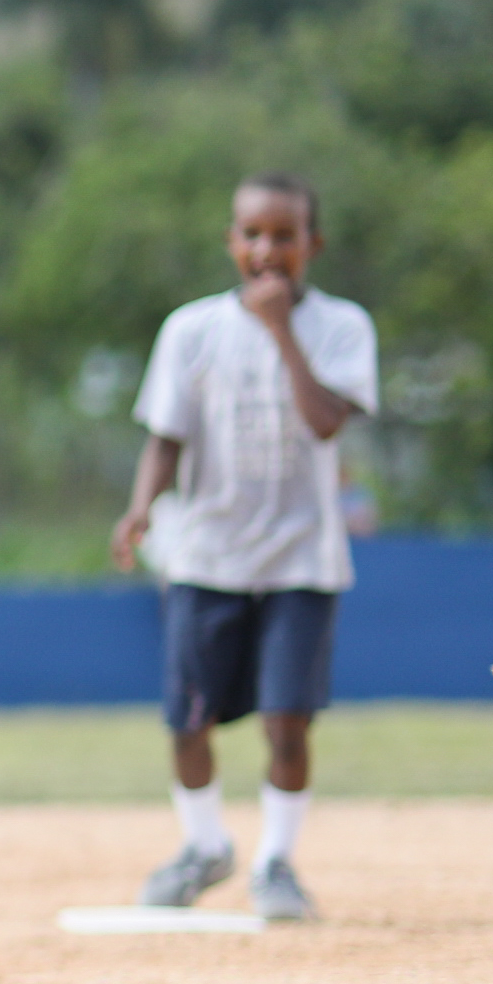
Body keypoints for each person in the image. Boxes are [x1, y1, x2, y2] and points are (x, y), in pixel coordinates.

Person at [111, 173, 377, 921]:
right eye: (252, 234)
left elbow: (326, 421)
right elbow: (166, 437)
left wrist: (281, 331)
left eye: (284, 236)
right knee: (187, 718)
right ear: (231, 242)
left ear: (312, 244)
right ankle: (204, 846)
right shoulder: (191, 330)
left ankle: (276, 864)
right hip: (207, 555)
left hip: (302, 558)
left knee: (287, 719)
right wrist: (141, 508)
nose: (267, 250)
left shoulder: (342, 327)